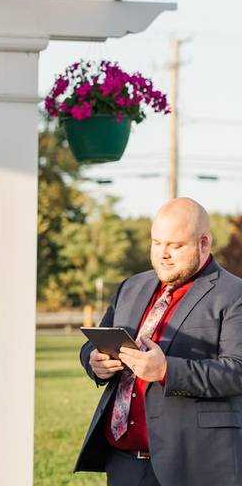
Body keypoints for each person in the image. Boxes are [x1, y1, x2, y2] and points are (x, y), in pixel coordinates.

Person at [76, 198, 242, 485]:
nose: (163, 254)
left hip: (195, 464)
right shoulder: (131, 286)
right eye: (156, 243)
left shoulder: (234, 294)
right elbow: (94, 345)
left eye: (175, 246)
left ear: (204, 242)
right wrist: (95, 362)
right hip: (123, 461)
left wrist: (166, 371)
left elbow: (237, 371)